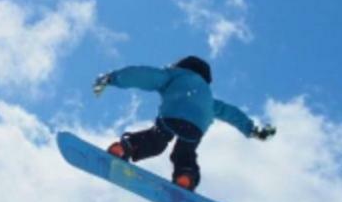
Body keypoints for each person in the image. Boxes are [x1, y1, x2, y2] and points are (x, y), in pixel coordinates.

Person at [93, 55, 275, 191]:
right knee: (185, 152)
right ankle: (185, 176)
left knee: (156, 140)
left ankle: (124, 148)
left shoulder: (173, 76)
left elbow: (141, 75)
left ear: (179, 66)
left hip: (173, 115)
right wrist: (253, 130)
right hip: (197, 125)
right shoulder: (209, 98)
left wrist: (111, 79)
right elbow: (232, 113)